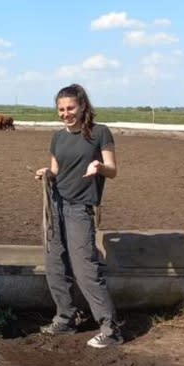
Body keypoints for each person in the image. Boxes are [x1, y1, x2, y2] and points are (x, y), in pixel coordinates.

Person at [34, 83, 124, 348]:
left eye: (70, 108)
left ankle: (111, 328)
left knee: (85, 268)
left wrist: (99, 167)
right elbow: (56, 171)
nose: (65, 113)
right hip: (55, 206)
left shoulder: (99, 134)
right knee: (55, 265)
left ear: (83, 106)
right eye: (61, 109)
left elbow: (113, 170)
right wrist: (46, 174)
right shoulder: (58, 138)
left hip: (80, 208)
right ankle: (66, 318)